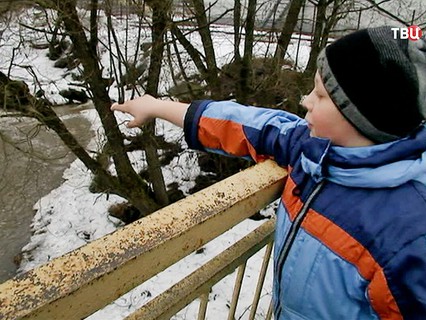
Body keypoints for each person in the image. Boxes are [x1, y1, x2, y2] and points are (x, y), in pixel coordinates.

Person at [111, 26, 426, 319]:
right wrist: (157, 107)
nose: (305, 101)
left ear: (359, 115)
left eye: (319, 94)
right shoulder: (309, 148)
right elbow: (242, 123)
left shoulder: (406, 237)